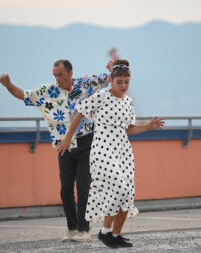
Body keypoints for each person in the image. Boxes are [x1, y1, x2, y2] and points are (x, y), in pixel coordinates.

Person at [0, 59, 112, 242]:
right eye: (55, 75)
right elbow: (23, 95)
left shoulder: (85, 83)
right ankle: (72, 229)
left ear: (70, 73)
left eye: (60, 75)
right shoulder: (48, 92)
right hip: (63, 145)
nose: (57, 78)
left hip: (86, 142)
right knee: (65, 189)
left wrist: (113, 69)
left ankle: (84, 230)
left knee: (84, 187)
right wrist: (8, 85)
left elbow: (111, 78)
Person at [57, 59, 165, 248]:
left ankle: (115, 235)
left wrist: (147, 126)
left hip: (123, 150)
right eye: (119, 82)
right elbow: (79, 113)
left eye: (126, 82)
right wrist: (68, 137)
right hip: (102, 149)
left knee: (127, 194)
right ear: (112, 81)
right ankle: (104, 232)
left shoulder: (128, 101)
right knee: (119, 188)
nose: (123, 86)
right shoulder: (101, 96)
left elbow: (129, 128)